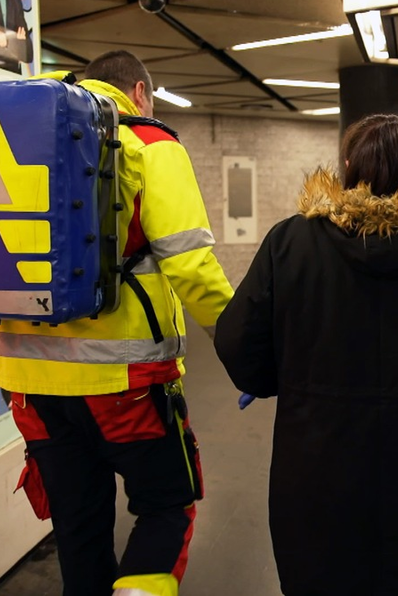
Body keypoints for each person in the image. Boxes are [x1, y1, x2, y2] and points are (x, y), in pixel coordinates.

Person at [214, 114, 398, 596]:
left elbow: (236, 339)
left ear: (349, 164)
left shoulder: (290, 241)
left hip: (317, 458)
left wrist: (281, 380)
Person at [0, 50, 234, 596]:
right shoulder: (148, 142)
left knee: (78, 528)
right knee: (166, 506)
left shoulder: (12, 142)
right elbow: (190, 265)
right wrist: (245, 343)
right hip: (125, 384)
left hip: (29, 390)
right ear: (141, 93)